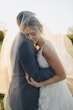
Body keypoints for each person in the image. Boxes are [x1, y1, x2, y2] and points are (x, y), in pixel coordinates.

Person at [3, 11, 56, 110]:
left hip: (16, 91)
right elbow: (36, 76)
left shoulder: (18, 39)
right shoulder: (25, 43)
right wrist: (56, 70)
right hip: (26, 96)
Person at [20, 13, 73, 110]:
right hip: (48, 88)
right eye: (27, 34)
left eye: (33, 33)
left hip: (54, 92)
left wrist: (39, 84)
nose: (30, 38)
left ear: (40, 31)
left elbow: (62, 75)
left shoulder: (46, 49)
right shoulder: (39, 44)